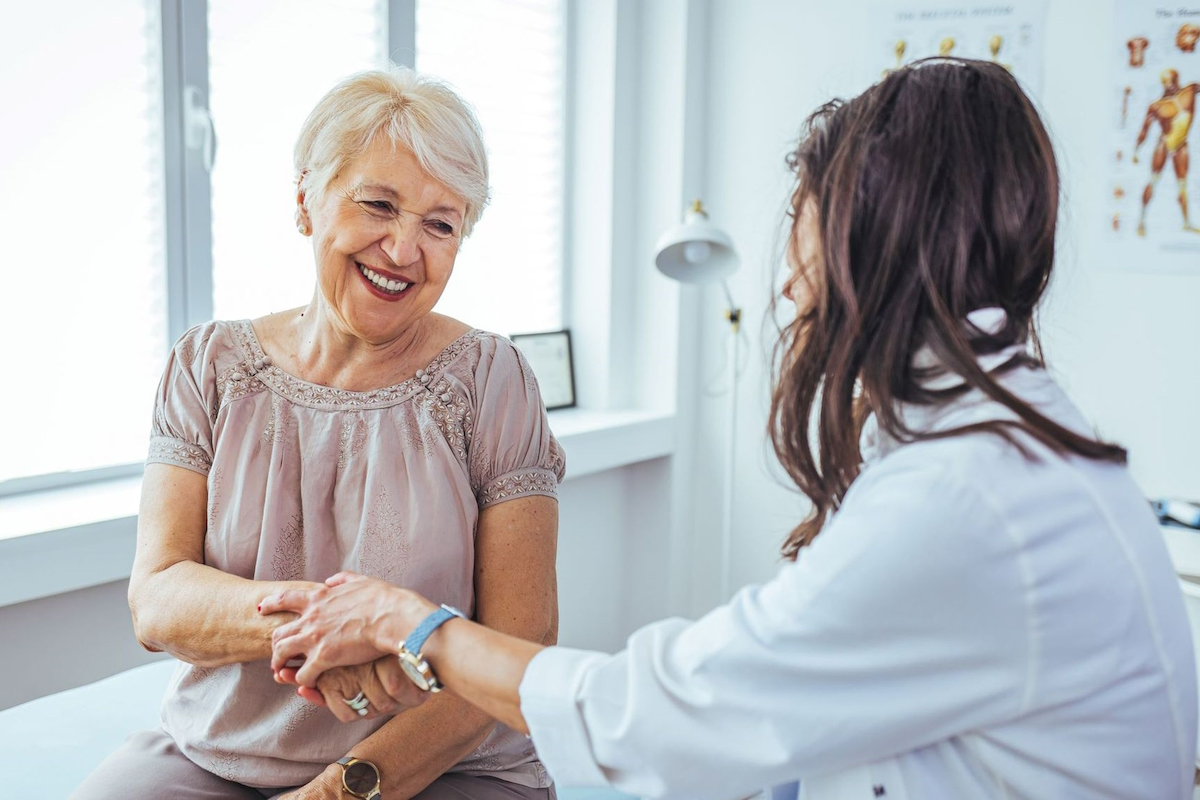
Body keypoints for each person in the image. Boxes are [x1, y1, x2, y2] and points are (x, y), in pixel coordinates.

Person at [261, 59, 1198, 799]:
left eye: (804, 218)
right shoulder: (986, 437)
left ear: (869, 235)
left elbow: (663, 712)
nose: (787, 281)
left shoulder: (963, 496)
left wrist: (410, 624)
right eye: (376, 205)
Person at [73, 67, 565, 800]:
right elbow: (159, 599)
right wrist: (336, 624)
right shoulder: (207, 366)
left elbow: (521, 641)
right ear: (306, 199)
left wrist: (341, 788)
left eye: (441, 223)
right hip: (219, 757)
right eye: (378, 204)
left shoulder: (493, 380)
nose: (403, 250)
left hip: (444, 764)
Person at [1133, 68, 1200, 236]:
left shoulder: (1190, 91)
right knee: (1153, 180)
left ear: (1177, 79)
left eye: (1172, 80)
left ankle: (1186, 222)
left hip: (1181, 145)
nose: (1169, 85)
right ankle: (1141, 220)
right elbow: (1144, 130)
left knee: (1182, 185)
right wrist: (1136, 150)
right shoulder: (1157, 106)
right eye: (1166, 82)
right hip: (1164, 143)